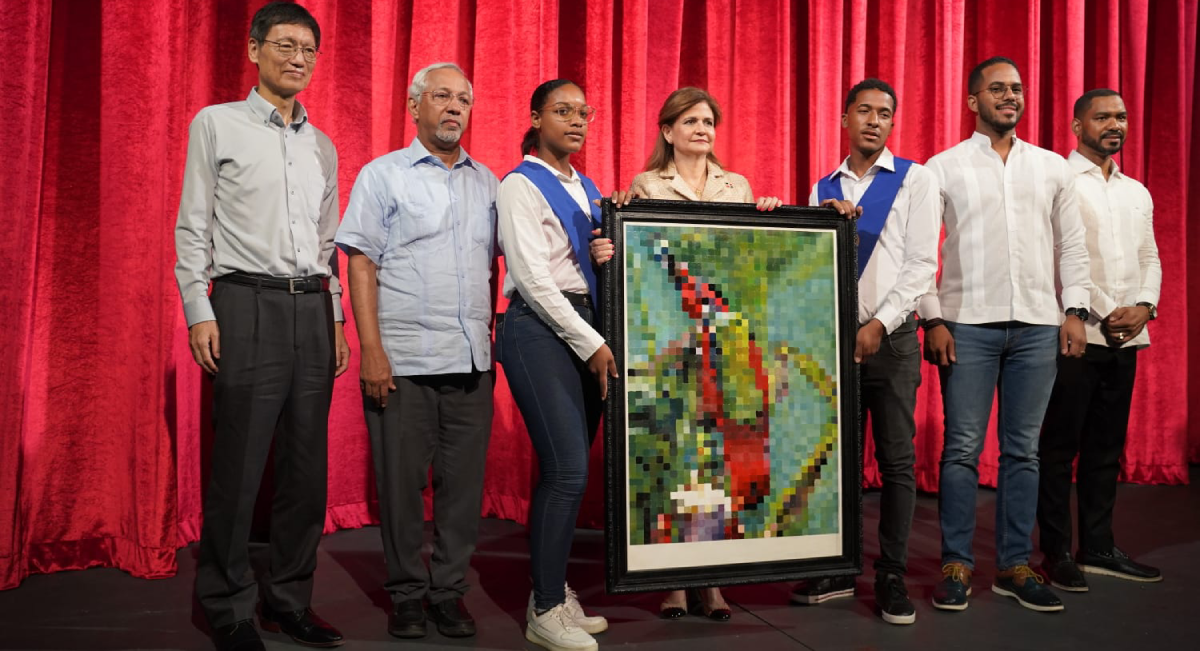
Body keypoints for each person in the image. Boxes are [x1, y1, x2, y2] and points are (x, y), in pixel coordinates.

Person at [174, 3, 349, 650]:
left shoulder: (322, 145)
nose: (298, 57)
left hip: (311, 306)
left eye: (308, 48)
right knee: (241, 464)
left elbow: (328, 245)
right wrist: (199, 308)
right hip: (244, 302)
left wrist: (334, 320)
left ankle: (290, 600)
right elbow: (193, 224)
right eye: (284, 44)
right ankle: (226, 605)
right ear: (254, 49)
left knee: (307, 470)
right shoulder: (216, 124)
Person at [921, 56, 1091, 614]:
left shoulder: (1051, 169)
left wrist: (1075, 311)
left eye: (1016, 88)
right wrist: (933, 317)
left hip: (1039, 327)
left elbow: (1072, 246)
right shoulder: (941, 167)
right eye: (997, 89)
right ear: (974, 101)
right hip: (967, 325)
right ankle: (956, 565)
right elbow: (922, 253)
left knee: (1024, 452)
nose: (1010, 96)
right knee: (963, 450)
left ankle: (1015, 565)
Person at [335, 62, 497, 640]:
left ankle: (448, 592)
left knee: (462, 491)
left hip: (473, 362)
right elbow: (360, 261)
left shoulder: (489, 182)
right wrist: (370, 350)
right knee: (402, 490)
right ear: (415, 106)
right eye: (442, 97)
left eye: (463, 100)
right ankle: (406, 594)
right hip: (402, 361)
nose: (454, 108)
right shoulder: (384, 175)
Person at [614, 86, 782, 622]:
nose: (702, 129)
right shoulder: (645, 185)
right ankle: (673, 583)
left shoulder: (737, 186)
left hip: (729, 344)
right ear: (668, 131)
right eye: (690, 121)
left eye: (709, 120)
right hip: (676, 344)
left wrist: (770, 218)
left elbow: (745, 253)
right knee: (683, 458)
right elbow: (643, 263)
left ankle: (713, 584)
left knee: (724, 460)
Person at [788, 78, 939, 626]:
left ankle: (891, 574)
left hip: (892, 340)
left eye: (885, 113)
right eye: (865, 111)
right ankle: (839, 565)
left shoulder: (915, 179)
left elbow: (922, 265)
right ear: (845, 118)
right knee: (839, 462)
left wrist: (879, 322)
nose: (875, 121)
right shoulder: (822, 186)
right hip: (834, 343)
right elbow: (811, 270)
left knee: (897, 461)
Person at [496, 79, 630, 651]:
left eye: (584, 112)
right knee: (568, 469)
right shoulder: (518, 186)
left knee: (571, 473)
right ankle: (545, 610)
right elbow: (532, 277)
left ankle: (550, 590)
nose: (576, 121)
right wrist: (591, 343)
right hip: (539, 329)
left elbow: (578, 264)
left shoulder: (586, 186)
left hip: (583, 326)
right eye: (562, 111)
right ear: (536, 117)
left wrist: (604, 255)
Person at [1035, 89, 1163, 591]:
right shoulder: (1058, 180)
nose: (1115, 124)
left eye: (1122, 117)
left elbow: (1149, 255)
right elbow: (1055, 254)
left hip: (1126, 338)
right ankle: (1056, 551)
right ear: (1076, 125)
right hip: (1074, 335)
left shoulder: (1137, 191)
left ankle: (1099, 546)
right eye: (1103, 116)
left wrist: (1145, 307)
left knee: (1106, 449)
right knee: (1058, 448)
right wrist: (1102, 309)